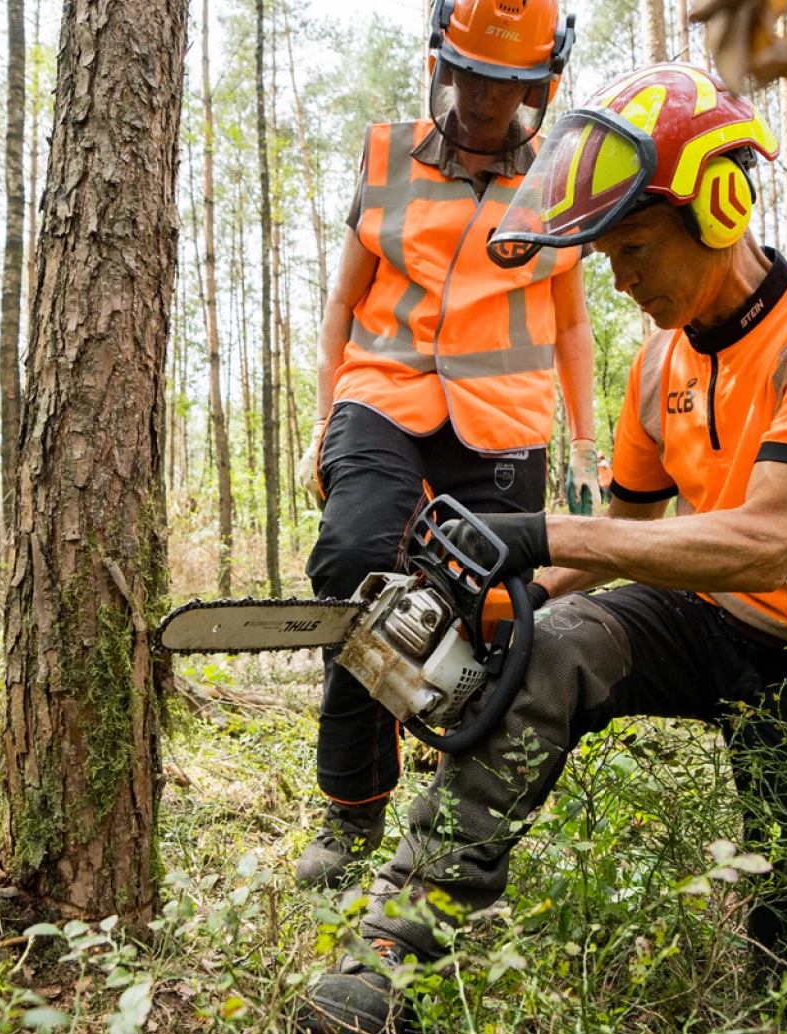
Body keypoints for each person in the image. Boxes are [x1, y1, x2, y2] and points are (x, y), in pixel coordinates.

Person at [304, 62, 787, 1034]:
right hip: (703, 621)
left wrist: (536, 531)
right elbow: (623, 540)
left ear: (717, 211)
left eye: (634, 249)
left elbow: (769, 540)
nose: (622, 280)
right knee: (553, 647)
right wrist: (498, 598)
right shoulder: (660, 365)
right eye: (608, 258)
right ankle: (396, 943)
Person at [294, 0, 600, 889]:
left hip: (501, 422)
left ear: (538, 81)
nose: (486, 99)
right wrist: (324, 420)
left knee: (494, 621)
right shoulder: (387, 152)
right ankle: (352, 809)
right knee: (356, 568)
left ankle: (455, 828)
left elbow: (572, 325)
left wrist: (585, 447)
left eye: (508, 82)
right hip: (383, 398)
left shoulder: (559, 175)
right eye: (473, 75)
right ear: (444, 63)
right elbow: (344, 301)